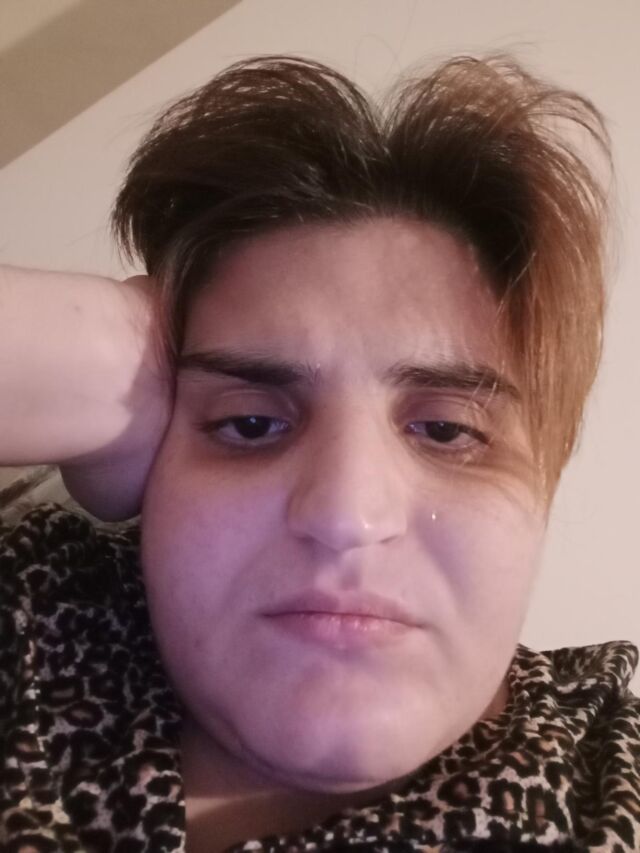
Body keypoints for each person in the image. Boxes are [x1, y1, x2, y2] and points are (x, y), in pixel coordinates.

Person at [0, 53, 638, 853]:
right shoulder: (32, 620)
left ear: (545, 479)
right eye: (249, 423)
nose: (345, 515)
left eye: (446, 430)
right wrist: (99, 346)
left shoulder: (613, 789)